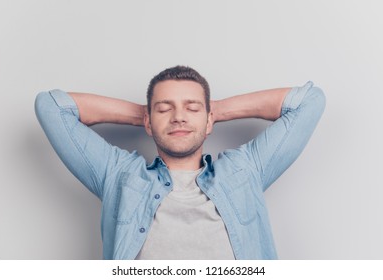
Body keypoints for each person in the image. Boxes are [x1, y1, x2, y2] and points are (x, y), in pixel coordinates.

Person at [35, 65, 325, 260]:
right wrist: (150, 114)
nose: (179, 117)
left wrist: (211, 111)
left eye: (192, 108)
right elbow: (51, 106)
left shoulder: (245, 170)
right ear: (147, 121)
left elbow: (308, 101)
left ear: (209, 118)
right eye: (165, 109)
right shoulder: (119, 175)